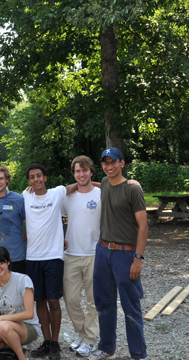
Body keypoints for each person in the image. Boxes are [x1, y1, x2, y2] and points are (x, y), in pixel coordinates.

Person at [92, 147, 148, 360]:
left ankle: (139, 354)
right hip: (103, 251)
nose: (109, 166)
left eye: (113, 161)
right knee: (104, 303)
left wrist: (138, 259)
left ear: (122, 163)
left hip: (126, 254)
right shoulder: (105, 183)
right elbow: (96, 185)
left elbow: (143, 226)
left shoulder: (132, 190)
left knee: (131, 307)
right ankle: (107, 347)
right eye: (105, 163)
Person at [23, 163, 67, 360]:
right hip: (33, 257)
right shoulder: (26, 196)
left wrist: (109, 183)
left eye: (39, 176)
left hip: (53, 257)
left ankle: (56, 343)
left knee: (53, 301)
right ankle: (47, 341)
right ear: (29, 181)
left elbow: (82, 184)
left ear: (45, 177)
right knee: (39, 301)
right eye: (32, 177)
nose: (36, 179)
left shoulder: (57, 193)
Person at [61, 156, 100, 357]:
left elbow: (119, 187)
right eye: (77, 171)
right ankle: (83, 333)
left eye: (85, 170)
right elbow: (50, 215)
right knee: (71, 299)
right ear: (73, 173)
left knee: (93, 301)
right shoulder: (67, 196)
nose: (81, 174)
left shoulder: (102, 193)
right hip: (71, 254)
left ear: (91, 172)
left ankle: (90, 339)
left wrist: (131, 182)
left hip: (95, 253)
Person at [0, 247, 40, 360]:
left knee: (3, 325)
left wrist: (3, 317)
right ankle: (12, 343)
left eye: (1, 263)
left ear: (8, 262)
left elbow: (29, 314)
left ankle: (21, 357)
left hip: (28, 326)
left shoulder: (23, 280)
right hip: (7, 327)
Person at [0, 163, 26, 274]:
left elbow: (29, 221)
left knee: (19, 290)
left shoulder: (18, 199)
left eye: (1, 178)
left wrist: (26, 233)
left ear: (7, 179)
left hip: (16, 256)